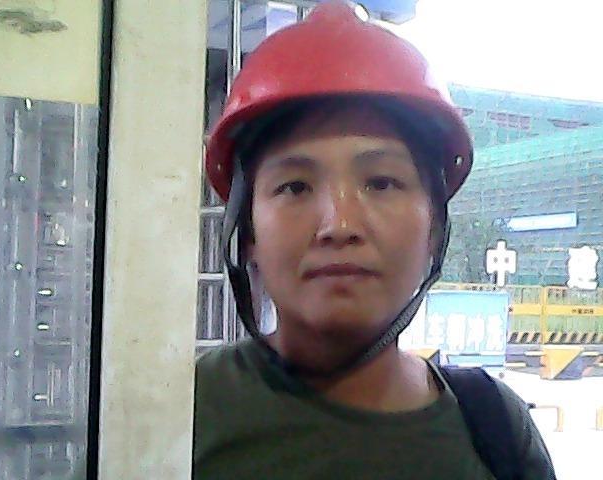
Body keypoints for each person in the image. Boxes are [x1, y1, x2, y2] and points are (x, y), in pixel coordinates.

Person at [194, 2, 555, 479]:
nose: (339, 224)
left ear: (434, 229)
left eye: (382, 182)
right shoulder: (173, 413)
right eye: (295, 187)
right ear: (248, 235)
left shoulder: (496, 428)